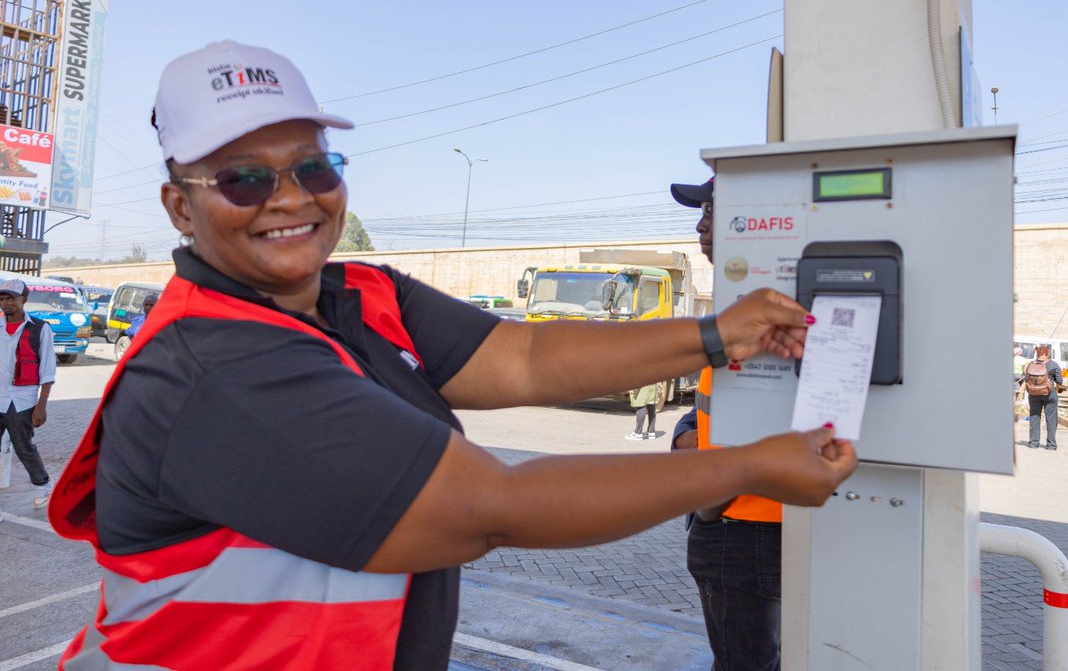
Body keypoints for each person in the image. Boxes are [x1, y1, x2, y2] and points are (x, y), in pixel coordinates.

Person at [48, 40, 857, 671]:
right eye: (243, 179)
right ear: (179, 206)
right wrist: (749, 468)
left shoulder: (363, 293)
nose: (291, 197)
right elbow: (492, 506)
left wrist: (720, 333)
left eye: (313, 166)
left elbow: (528, 358)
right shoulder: (214, 366)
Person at [670, 175, 789, 671]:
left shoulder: (760, 311)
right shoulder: (747, 301)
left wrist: (710, 510)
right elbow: (718, 405)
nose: (699, 224)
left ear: (749, 224)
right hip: (752, 520)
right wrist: (684, 431)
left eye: (712, 212)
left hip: (744, 526)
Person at [0, 278, 56, 518]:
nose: (6, 303)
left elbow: (48, 369)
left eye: (11, 298)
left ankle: (43, 484)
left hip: (21, 400)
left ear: (24, 299)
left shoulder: (39, 328)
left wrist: (41, 405)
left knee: (24, 447)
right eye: (2, 298)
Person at [1023, 344, 1062, 450]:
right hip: (1049, 394)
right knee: (1051, 419)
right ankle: (1051, 445)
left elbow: (1026, 379)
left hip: (1034, 394)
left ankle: (1033, 443)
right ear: (1047, 352)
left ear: (1037, 353)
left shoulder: (1030, 364)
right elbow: (1060, 381)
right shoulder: (1053, 365)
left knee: (1035, 417)